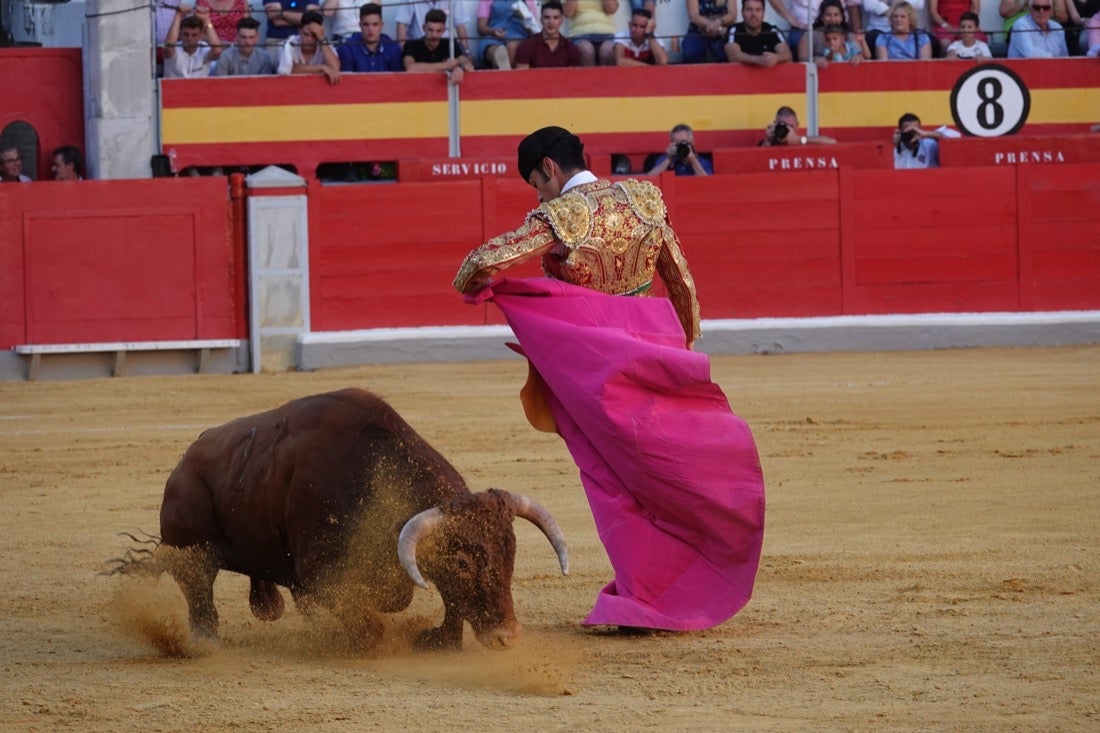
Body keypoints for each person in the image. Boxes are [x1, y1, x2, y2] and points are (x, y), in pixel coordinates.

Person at [452, 126, 765, 633]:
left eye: (536, 183)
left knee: (613, 484)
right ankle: (681, 581)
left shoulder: (560, 215)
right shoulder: (645, 198)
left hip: (596, 379)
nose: (538, 195)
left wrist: (477, 287)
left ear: (549, 169)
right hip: (655, 360)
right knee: (669, 475)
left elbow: (481, 262)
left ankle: (647, 595)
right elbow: (682, 284)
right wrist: (681, 359)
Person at [403, 9, 475, 84]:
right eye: (430, 30)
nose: (434, 35)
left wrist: (459, 68)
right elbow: (410, 68)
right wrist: (446, 66)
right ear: (424, 28)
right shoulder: (412, 44)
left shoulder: (450, 44)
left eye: (438, 31)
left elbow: (468, 66)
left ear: (444, 30)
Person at [278, 9, 342, 83]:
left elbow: (335, 68)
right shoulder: (288, 43)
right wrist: (322, 68)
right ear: (299, 31)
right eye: (306, 34)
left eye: (314, 35)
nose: (309, 39)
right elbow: (289, 68)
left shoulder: (324, 44)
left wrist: (321, 38)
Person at [514, 1, 583, 68]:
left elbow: (573, 78)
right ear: (541, 20)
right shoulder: (526, 46)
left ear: (561, 20)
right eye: (547, 17)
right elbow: (523, 77)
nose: (551, 22)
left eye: (555, 18)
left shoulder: (571, 49)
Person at [337, 3, 403, 72]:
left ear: (382, 25)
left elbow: (397, 80)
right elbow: (347, 81)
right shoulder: (347, 48)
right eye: (366, 24)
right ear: (360, 25)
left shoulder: (393, 48)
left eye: (375, 24)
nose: (370, 29)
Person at [725, 0, 793, 66]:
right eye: (749, 9)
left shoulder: (772, 30)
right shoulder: (734, 30)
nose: (754, 14)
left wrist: (776, 58)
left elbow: (787, 55)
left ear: (763, 13)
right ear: (742, 12)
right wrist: (759, 60)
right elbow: (733, 56)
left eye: (758, 10)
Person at [476, 0, 540, 69]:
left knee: (513, 47)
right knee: (497, 52)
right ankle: (500, 62)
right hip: (492, 35)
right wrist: (492, 32)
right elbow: (481, 27)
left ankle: (505, 74)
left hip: (518, 35)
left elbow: (533, 26)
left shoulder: (528, 1)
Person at [163, 6, 224, 78]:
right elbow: (169, 47)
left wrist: (206, 20)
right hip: (173, 88)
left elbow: (217, 50)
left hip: (199, 88)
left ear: (201, 35)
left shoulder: (204, 48)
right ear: (180, 34)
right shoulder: (175, 49)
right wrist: (178, 15)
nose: (189, 38)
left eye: (194, 35)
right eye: (186, 34)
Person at [396, 0, 471, 50]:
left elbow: (460, 26)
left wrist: (467, 52)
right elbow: (402, 25)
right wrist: (403, 53)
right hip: (419, 49)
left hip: (446, 48)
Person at [564, 0, 619, 66]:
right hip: (580, 34)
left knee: (608, 50)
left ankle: (606, 76)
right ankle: (589, 76)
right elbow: (568, 13)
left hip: (606, 34)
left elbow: (611, 9)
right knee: (586, 49)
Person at [646, 124, 712, 175]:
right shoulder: (666, 160)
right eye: (677, 144)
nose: (681, 147)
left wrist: (693, 161)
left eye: (683, 143)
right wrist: (668, 159)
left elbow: (708, 182)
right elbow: (650, 179)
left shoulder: (703, 162)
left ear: (692, 142)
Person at [759, 106, 838, 146]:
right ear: (775, 124)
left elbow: (832, 142)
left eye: (790, 126)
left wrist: (800, 140)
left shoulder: (802, 142)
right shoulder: (768, 143)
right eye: (783, 125)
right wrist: (768, 141)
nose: (787, 129)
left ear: (797, 126)